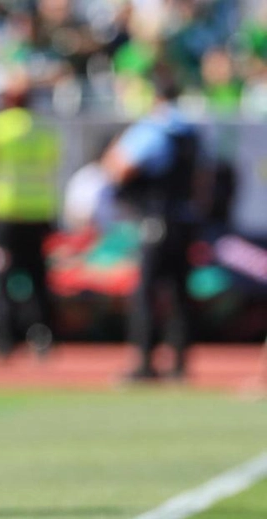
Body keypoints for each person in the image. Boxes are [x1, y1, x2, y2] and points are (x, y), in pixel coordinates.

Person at [102, 67, 201, 382]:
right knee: (179, 291)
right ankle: (180, 362)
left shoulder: (151, 129)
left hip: (156, 219)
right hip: (185, 219)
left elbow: (118, 169)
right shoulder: (191, 130)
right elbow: (204, 179)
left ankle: (145, 362)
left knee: (146, 292)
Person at [0, 77, 61, 358]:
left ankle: (3, 340)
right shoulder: (44, 130)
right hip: (39, 211)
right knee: (38, 277)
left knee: (2, 277)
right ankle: (43, 337)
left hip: (5, 212)